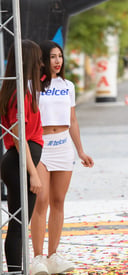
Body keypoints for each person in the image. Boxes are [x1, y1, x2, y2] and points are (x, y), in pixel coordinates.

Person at [30, 40, 94, 275]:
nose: (57, 61)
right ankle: (37, 258)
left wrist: (81, 150)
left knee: (58, 201)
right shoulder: (31, 85)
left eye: (60, 56)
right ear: (43, 61)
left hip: (64, 145)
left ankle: (53, 254)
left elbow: (73, 120)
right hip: (41, 146)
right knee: (42, 200)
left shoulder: (68, 85)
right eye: (52, 57)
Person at [0, 39, 44, 272]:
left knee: (19, 223)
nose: (40, 63)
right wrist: (33, 173)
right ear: (28, 61)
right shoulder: (19, 94)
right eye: (37, 59)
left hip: (20, 162)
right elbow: (20, 137)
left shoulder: (23, 90)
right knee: (18, 224)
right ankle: (16, 270)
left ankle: (17, 268)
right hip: (18, 163)